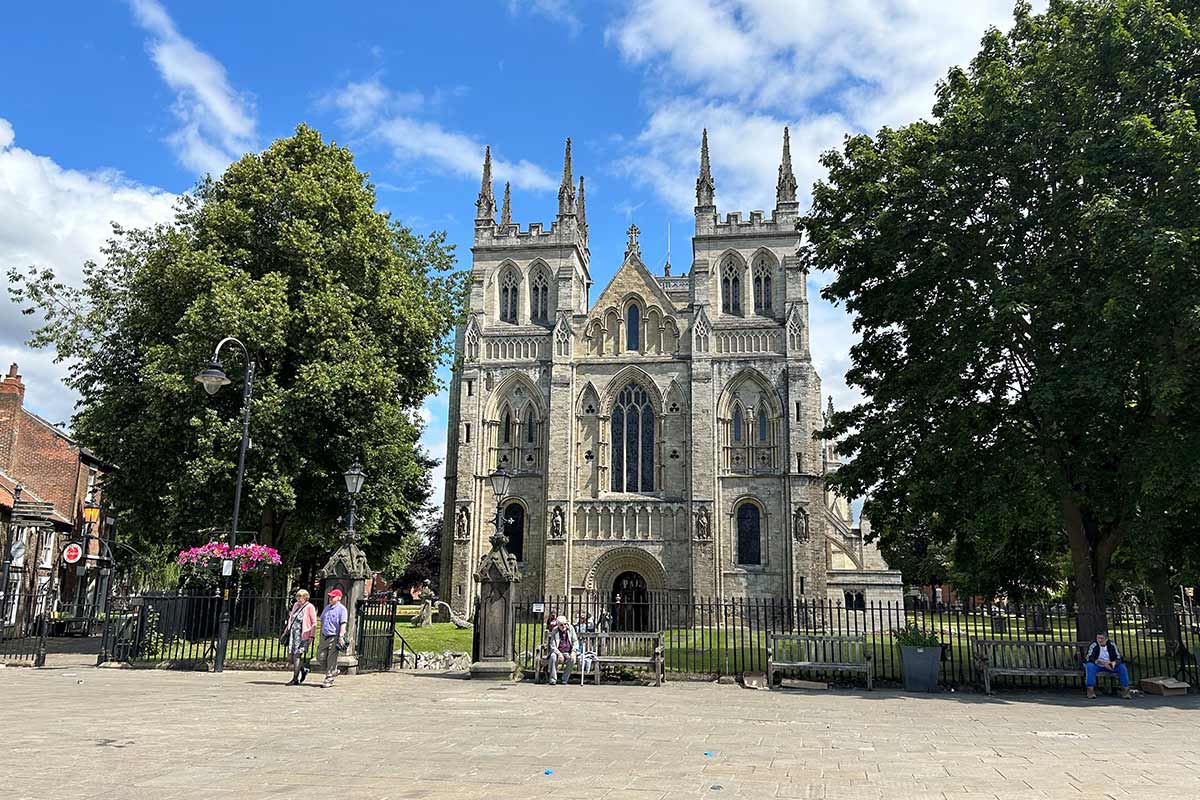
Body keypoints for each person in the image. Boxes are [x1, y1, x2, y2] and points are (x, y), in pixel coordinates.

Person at [281, 589, 317, 685]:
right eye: (298, 596)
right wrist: (286, 631)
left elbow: (314, 623)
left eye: (301, 597)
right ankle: (303, 669)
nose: (299, 599)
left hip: (303, 635)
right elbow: (291, 619)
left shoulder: (310, 607)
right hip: (293, 635)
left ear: (306, 597)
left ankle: (295, 679)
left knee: (297, 656)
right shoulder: (296, 606)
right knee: (291, 657)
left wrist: (312, 636)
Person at [316, 588, 349, 688]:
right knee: (320, 657)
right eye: (330, 596)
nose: (330, 598)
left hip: (334, 637)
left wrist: (341, 637)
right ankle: (333, 671)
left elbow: (343, 624)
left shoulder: (342, 609)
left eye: (333, 596)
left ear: (339, 598)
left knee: (331, 659)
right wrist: (320, 634)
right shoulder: (327, 608)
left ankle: (329, 678)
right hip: (324, 637)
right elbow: (322, 620)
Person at [1085, 631, 1131, 699]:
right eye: (1098, 638)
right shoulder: (1094, 645)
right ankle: (1090, 690)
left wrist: (1114, 663)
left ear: (1106, 639)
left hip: (1110, 664)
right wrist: (1102, 663)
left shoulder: (1112, 644)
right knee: (1089, 666)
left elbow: (1118, 657)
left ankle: (1126, 690)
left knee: (1122, 667)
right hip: (1098, 665)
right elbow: (1089, 657)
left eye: (1102, 638)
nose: (1099, 640)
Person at [546, 615, 578, 685]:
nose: (564, 626)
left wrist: (573, 652)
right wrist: (559, 654)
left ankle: (564, 679)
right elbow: (552, 645)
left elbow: (575, 641)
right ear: (558, 625)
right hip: (558, 652)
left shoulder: (571, 629)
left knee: (572, 659)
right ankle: (553, 679)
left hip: (568, 652)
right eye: (561, 625)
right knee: (553, 657)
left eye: (565, 624)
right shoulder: (555, 630)